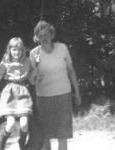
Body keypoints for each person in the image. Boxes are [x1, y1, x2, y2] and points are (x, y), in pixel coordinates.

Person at [29, 21, 81, 150]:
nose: (43, 38)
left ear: (52, 34)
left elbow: (71, 70)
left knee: (62, 136)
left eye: (46, 35)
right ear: (37, 38)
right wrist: (34, 72)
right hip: (44, 98)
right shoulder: (33, 54)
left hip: (63, 96)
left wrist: (77, 91)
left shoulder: (62, 48)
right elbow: (31, 81)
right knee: (45, 136)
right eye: (40, 36)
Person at [0, 37, 33, 150]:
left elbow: (32, 80)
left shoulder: (27, 61)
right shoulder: (5, 63)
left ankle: (21, 141)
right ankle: (2, 142)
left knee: (24, 123)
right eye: (14, 49)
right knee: (11, 122)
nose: (16, 52)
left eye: (19, 49)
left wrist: (35, 71)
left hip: (23, 92)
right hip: (9, 93)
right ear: (9, 50)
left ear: (23, 50)